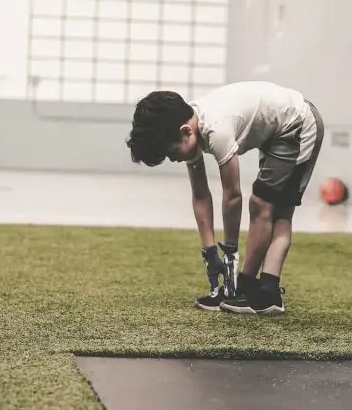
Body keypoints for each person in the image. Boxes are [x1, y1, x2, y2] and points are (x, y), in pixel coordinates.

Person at [126, 81, 325, 315]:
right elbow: (201, 195)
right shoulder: (188, 125)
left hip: (299, 124)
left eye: (172, 154)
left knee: (267, 205)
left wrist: (230, 252)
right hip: (277, 133)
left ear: (186, 132)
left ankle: (251, 289)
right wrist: (209, 251)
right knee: (271, 207)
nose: (173, 160)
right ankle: (259, 290)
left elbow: (232, 196)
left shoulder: (216, 129)